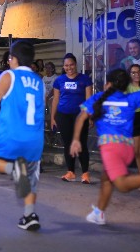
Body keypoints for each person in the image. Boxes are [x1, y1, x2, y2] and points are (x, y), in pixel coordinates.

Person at [70, 61, 140, 226]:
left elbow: (81, 117)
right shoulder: (131, 98)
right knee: (106, 179)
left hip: (111, 148)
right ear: (126, 86)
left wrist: (75, 140)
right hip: (127, 148)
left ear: (108, 83)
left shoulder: (98, 98)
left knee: (122, 185)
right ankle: (99, 213)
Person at [0, 41, 44, 231]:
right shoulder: (39, 81)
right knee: (30, 176)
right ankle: (29, 215)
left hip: (11, 133)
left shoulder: (9, 75)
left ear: (13, 59)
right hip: (34, 138)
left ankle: (13, 169)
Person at [51, 53, 93, 183]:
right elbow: (56, 99)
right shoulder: (59, 80)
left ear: (76, 65)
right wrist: (53, 117)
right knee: (68, 144)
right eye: (66, 65)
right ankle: (71, 172)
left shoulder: (85, 79)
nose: (69, 68)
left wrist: (90, 117)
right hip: (63, 116)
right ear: (63, 66)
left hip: (80, 116)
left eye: (71, 65)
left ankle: (85, 173)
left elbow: (89, 99)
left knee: (81, 143)